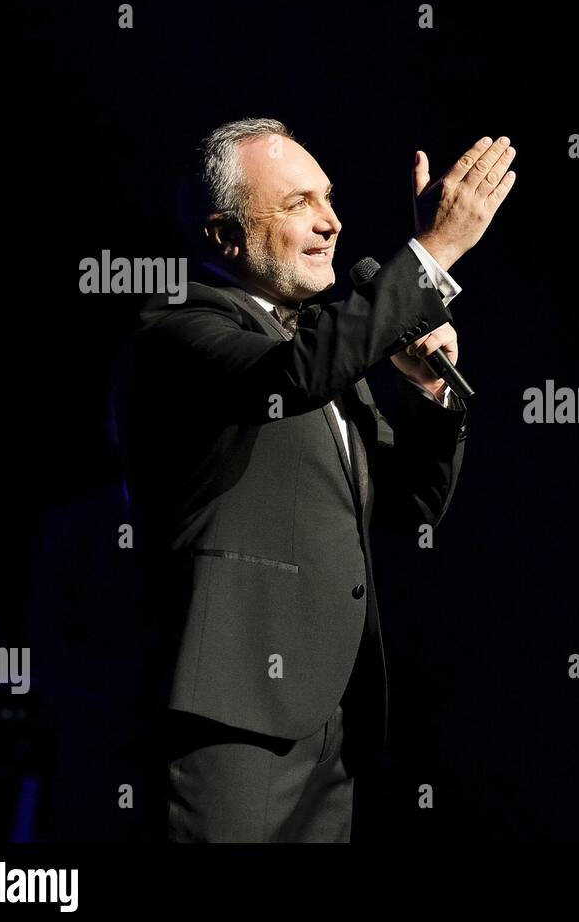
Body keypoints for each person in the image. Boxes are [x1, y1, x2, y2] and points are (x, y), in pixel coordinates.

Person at [117, 118, 517, 841]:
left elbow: (412, 505)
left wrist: (430, 395)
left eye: (329, 198)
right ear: (223, 236)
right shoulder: (178, 330)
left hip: (334, 720)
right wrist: (433, 253)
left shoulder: (317, 353)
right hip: (231, 716)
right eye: (298, 203)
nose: (331, 222)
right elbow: (294, 375)